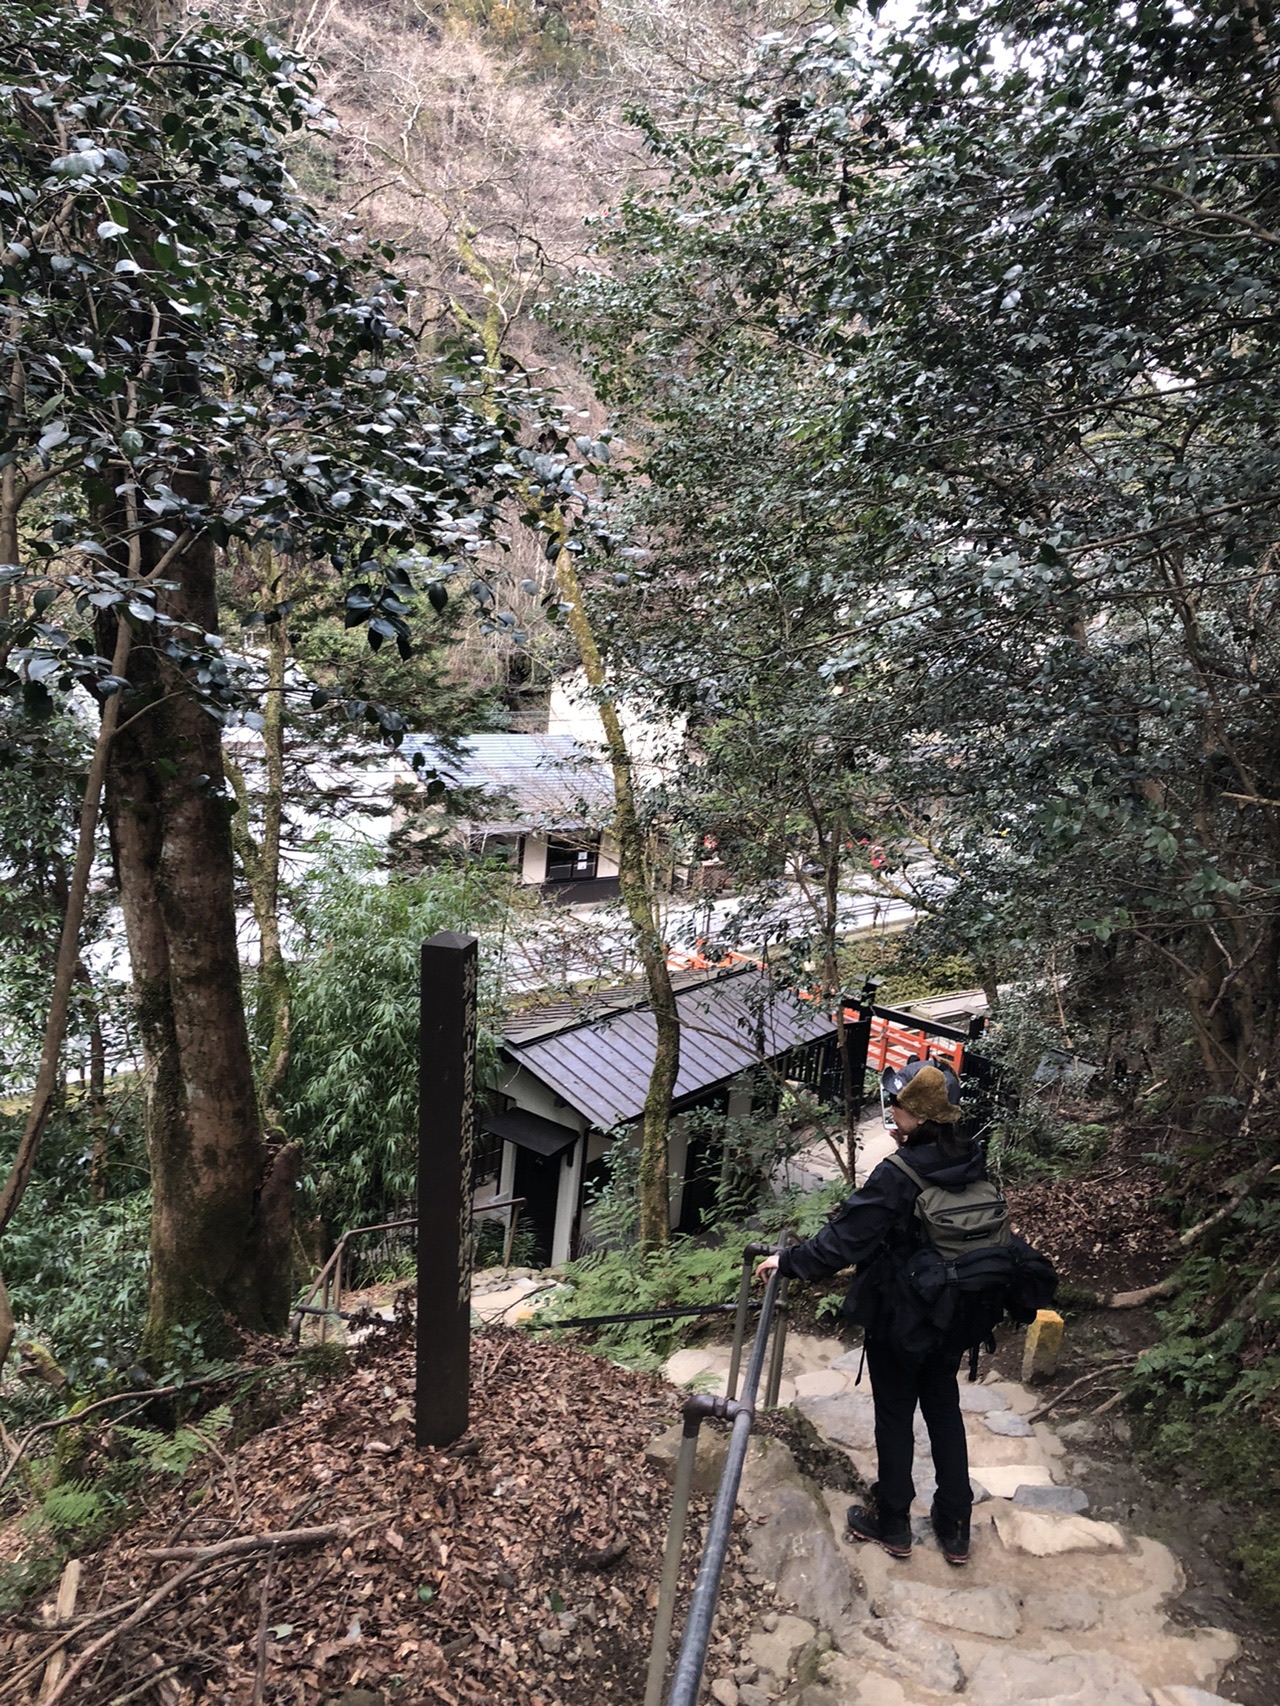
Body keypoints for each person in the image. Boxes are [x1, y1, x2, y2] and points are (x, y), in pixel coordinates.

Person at [755, 1058, 981, 1566]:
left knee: (896, 1413)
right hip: (956, 1307)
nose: (893, 1111)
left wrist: (788, 1261)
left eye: (898, 1105)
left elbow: (847, 1239)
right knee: (944, 1410)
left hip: (903, 1312)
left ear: (917, 1116)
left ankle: (894, 1522)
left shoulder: (899, 1172)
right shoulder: (971, 1155)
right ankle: (955, 1524)